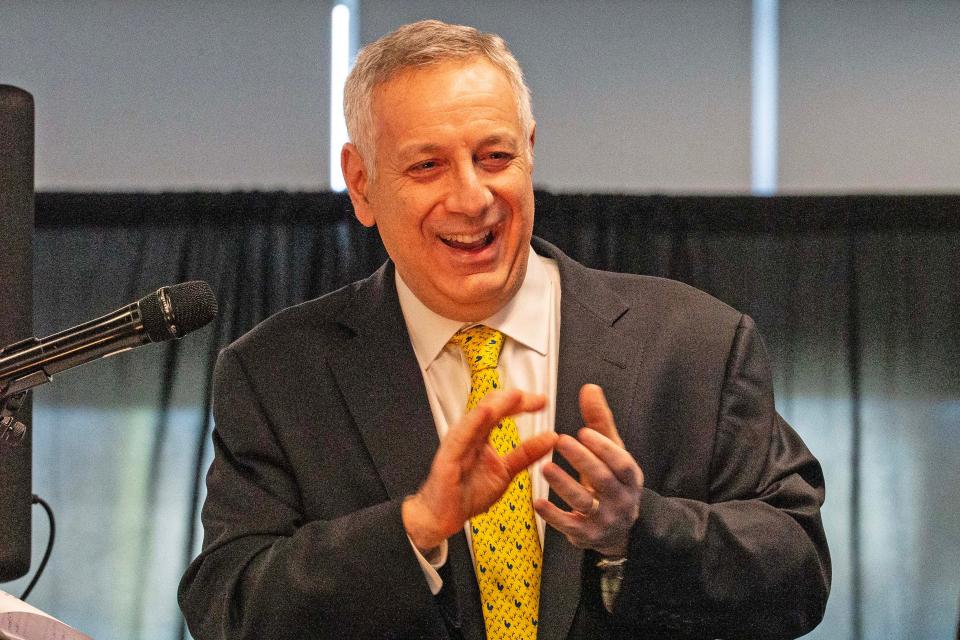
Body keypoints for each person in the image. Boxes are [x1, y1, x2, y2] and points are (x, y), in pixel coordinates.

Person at [179, 19, 830, 640]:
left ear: (531, 153)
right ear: (361, 183)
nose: (472, 198)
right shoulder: (278, 374)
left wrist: (639, 531)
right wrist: (414, 529)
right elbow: (229, 612)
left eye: (494, 156)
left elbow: (797, 570)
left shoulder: (695, 346)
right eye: (427, 166)